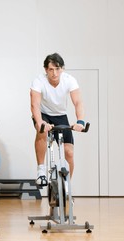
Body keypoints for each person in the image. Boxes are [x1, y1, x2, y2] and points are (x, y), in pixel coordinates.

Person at [30, 53, 85, 186]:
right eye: (51, 69)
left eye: (57, 69)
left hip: (60, 115)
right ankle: (41, 171)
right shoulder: (38, 81)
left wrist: (80, 121)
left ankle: (67, 186)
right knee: (41, 130)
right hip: (43, 114)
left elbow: (78, 102)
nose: (54, 73)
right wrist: (40, 122)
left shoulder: (69, 80)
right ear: (46, 70)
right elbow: (34, 105)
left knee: (69, 152)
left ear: (62, 69)